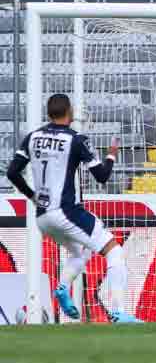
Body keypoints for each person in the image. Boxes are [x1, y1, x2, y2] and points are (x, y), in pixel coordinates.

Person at [5, 93, 140, 323]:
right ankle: (119, 312)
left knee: (81, 251)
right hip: (67, 211)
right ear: (70, 112)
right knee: (114, 250)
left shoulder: (32, 137)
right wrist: (111, 155)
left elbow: (12, 172)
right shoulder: (76, 139)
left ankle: (62, 288)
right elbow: (102, 176)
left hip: (43, 217)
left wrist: (31, 196)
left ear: (48, 113)